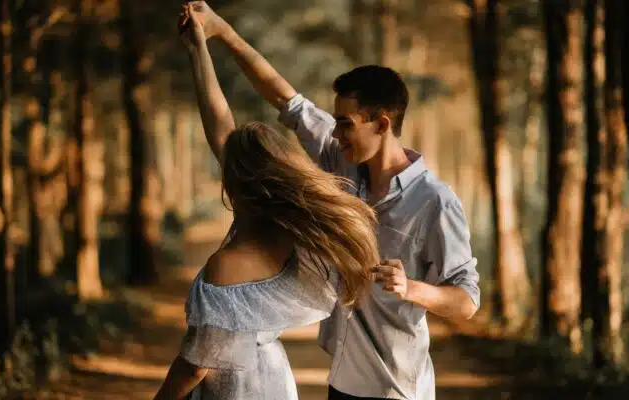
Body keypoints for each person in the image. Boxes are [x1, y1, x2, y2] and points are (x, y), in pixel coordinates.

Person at [183, 2, 482, 399]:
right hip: (341, 379)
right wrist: (219, 33)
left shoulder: (435, 202)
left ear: (382, 124)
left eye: (345, 124)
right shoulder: (340, 161)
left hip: (393, 386)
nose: (334, 132)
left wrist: (410, 288)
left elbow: (466, 303)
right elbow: (284, 98)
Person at [152, 5, 380, 399]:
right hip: (275, 380)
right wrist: (199, 50)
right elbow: (221, 126)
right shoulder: (299, 239)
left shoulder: (227, 265)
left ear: (238, 183)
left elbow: (197, 364)